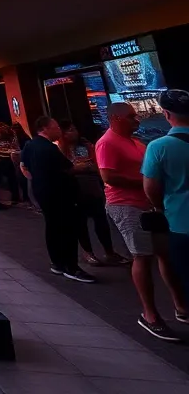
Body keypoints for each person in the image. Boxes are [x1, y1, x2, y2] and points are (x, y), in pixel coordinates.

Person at [98, 102, 188, 341]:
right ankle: (150, 315)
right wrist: (149, 182)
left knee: (164, 254)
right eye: (131, 116)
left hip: (149, 206)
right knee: (142, 255)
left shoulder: (137, 141)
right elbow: (108, 176)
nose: (137, 120)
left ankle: (181, 306)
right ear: (115, 118)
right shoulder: (107, 142)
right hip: (127, 206)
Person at [21, 116, 95, 282]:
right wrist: (85, 167)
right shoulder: (49, 148)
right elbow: (69, 169)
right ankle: (71, 267)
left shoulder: (30, 145)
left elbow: (23, 166)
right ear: (45, 128)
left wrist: (36, 180)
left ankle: (57, 263)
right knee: (67, 229)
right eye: (55, 127)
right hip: (60, 194)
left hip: (43, 193)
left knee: (52, 227)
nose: (59, 131)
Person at [58, 121, 126, 267]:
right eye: (69, 130)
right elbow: (62, 170)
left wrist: (86, 167)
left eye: (74, 129)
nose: (73, 132)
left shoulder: (86, 145)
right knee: (80, 222)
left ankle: (109, 251)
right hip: (74, 190)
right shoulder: (59, 149)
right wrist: (78, 168)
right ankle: (88, 252)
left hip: (93, 187)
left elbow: (96, 164)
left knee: (100, 220)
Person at [143, 90, 189, 293]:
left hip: (180, 223)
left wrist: (159, 206)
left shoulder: (158, 146)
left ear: (166, 114)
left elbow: (150, 187)